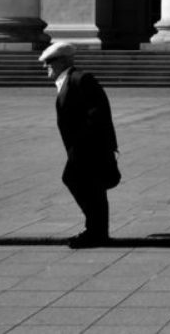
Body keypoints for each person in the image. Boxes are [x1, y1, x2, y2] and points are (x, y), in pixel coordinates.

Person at [38, 41, 120, 248]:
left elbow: (98, 113)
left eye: (49, 62)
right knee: (93, 188)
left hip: (87, 149)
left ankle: (95, 231)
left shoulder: (81, 79)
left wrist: (88, 145)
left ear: (63, 61)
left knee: (76, 181)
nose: (45, 66)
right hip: (83, 148)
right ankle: (97, 232)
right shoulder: (68, 82)